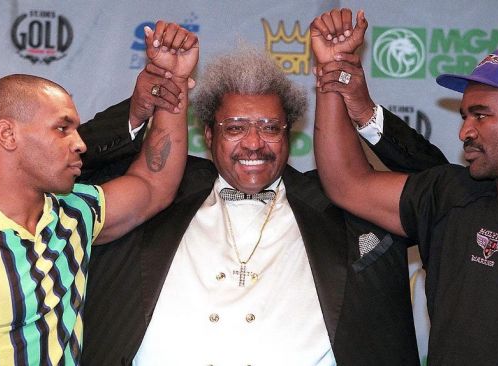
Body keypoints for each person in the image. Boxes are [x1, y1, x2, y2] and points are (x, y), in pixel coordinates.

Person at [76, 11, 447, 366]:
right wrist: (139, 111)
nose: (254, 143)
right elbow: (55, 177)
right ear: (208, 135)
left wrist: (364, 110)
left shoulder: (347, 209)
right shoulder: (150, 198)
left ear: (290, 134)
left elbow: (450, 197)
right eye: (235, 128)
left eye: (270, 128)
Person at [313, 9, 498, 365]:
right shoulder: (452, 195)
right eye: (464, 116)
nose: (465, 132)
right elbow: (346, 183)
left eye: (481, 115)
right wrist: (333, 71)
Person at [0, 21, 197, 365]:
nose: (80, 143)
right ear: (7, 135)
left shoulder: (75, 213)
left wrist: (173, 86)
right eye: (62, 128)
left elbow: (154, 184)